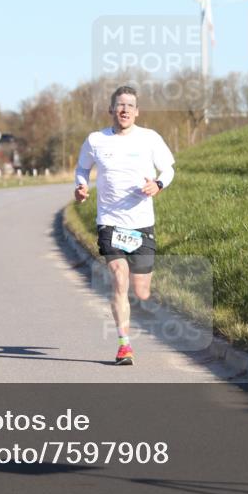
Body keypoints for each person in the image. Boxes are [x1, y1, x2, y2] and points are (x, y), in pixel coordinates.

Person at [74, 85, 175, 365]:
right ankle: (124, 346)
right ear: (111, 110)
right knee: (119, 277)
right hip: (110, 223)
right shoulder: (96, 140)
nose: (125, 109)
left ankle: (131, 309)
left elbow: (168, 168)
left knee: (141, 291)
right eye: (120, 105)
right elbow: (82, 168)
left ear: (137, 111)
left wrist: (158, 184)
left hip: (142, 224)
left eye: (130, 105)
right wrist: (81, 186)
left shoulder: (150, 138)